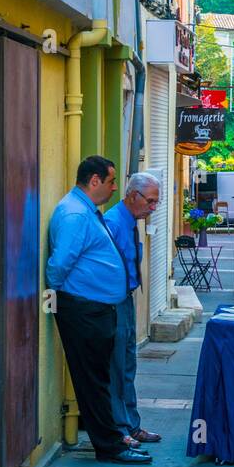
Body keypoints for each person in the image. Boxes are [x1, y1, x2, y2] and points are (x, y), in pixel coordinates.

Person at [46, 156, 151, 465]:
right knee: (93, 382)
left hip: (94, 308)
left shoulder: (86, 211)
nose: (114, 187)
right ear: (94, 181)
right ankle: (111, 447)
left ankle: (113, 441)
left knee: (99, 379)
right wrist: (61, 298)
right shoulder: (75, 215)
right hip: (83, 309)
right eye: (110, 181)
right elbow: (59, 264)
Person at [104, 173, 163, 446]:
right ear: (132, 195)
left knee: (128, 364)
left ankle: (131, 424)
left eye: (156, 203)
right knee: (117, 366)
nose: (153, 207)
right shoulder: (114, 223)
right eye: (150, 201)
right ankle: (120, 429)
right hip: (113, 301)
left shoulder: (130, 222)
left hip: (125, 298)